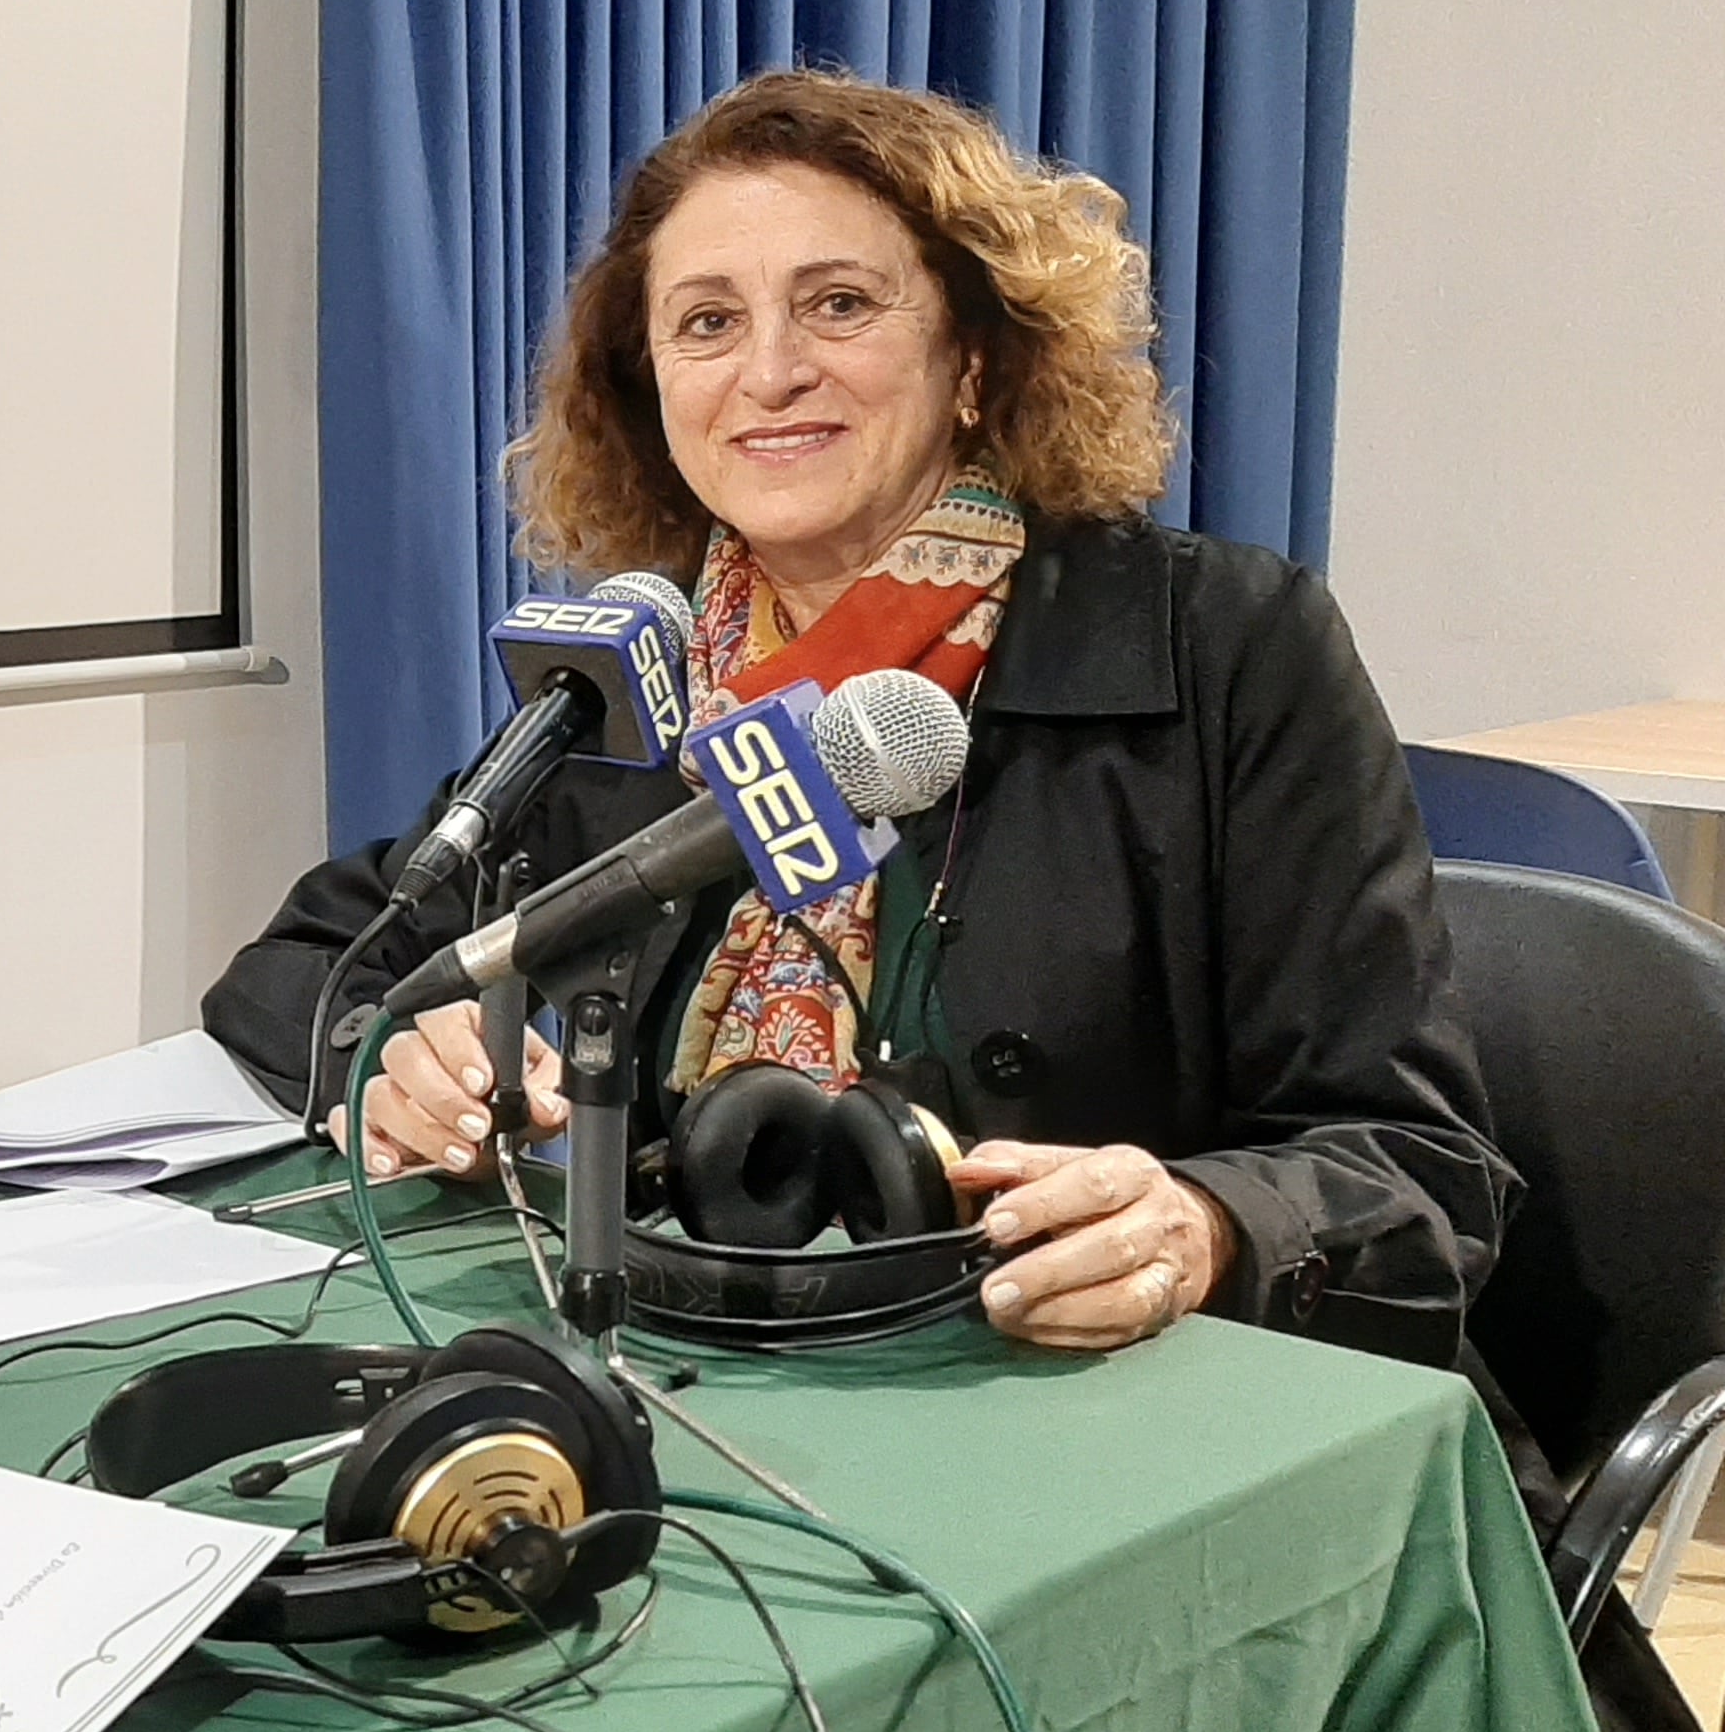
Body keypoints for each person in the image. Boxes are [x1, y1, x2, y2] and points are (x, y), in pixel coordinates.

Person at [204, 68, 1509, 1364]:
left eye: (838, 304)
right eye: (707, 323)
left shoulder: (1222, 645)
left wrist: (1209, 1225)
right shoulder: (633, 668)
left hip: (1110, 1390)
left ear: (975, 366)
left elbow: (1413, 1161)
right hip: (701, 1357)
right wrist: (386, 1066)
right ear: (652, 386)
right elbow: (319, 959)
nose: (770, 372)